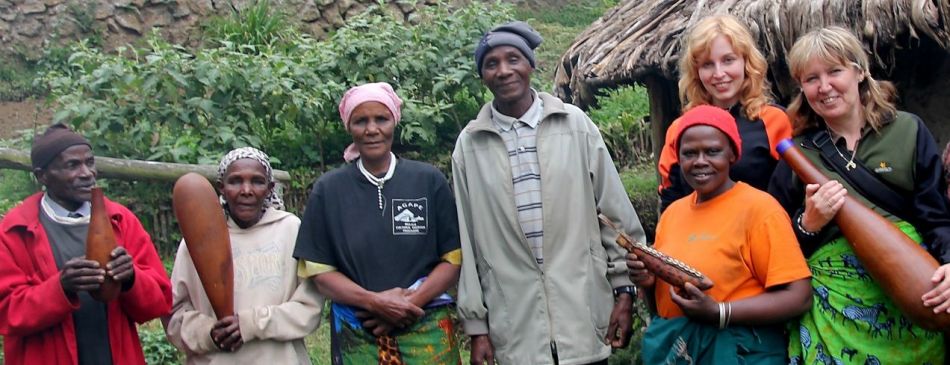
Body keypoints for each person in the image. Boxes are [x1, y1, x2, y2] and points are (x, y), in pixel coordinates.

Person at [453, 21, 645, 365]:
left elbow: (615, 215)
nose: (503, 70)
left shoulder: (574, 125)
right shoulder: (470, 144)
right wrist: (477, 326)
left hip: (582, 310)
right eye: (491, 63)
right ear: (482, 75)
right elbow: (468, 239)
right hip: (514, 323)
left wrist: (624, 291)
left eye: (513, 59)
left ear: (531, 64)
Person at [768, 26, 950, 364]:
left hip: (912, 297)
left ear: (859, 71)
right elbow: (773, 244)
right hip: (833, 317)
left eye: (835, 71)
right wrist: (808, 224)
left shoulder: (908, 131)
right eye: (811, 79)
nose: (824, 87)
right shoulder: (797, 156)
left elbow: (936, 217)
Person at [628, 105, 812, 364]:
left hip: (742, 352)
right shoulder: (672, 215)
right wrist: (647, 284)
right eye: (689, 153)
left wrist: (721, 312)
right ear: (678, 159)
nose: (700, 161)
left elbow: (799, 296)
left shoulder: (759, 209)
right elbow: (663, 307)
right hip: (680, 350)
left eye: (712, 151)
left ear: (732, 155)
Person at [294, 82, 462, 365]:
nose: (372, 129)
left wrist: (409, 304)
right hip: (358, 331)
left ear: (394, 122)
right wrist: (375, 303)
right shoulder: (329, 189)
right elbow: (319, 270)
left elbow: (453, 258)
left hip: (426, 327)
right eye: (361, 121)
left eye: (381, 119)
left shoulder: (427, 180)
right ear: (349, 127)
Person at [0, 123, 172, 364]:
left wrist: (132, 278)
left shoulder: (121, 221)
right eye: (72, 165)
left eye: (89, 162)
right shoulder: (15, 230)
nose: (87, 173)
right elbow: (6, 312)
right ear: (42, 175)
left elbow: (159, 302)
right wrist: (61, 287)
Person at [166, 147, 324, 364]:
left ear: (270, 188)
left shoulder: (291, 230)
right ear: (221, 188)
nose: (246, 190)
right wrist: (209, 332)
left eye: (257, 181)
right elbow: (174, 315)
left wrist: (250, 324)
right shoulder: (196, 240)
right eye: (235, 181)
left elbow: (310, 307)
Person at [657, 15, 792, 211]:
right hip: (699, 238)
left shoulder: (775, 121)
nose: (719, 74)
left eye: (728, 60)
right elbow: (670, 201)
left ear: (746, 62)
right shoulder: (680, 129)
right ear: (696, 72)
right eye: (707, 64)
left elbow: (792, 196)